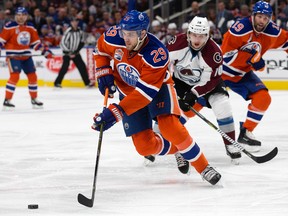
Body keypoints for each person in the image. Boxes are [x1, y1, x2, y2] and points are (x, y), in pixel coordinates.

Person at [92, 10, 221, 185]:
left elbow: (145, 95)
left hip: (157, 89)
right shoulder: (114, 36)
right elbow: (100, 51)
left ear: (142, 33)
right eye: (124, 33)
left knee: (170, 127)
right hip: (129, 93)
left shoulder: (156, 53)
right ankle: (178, 149)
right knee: (144, 147)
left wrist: (116, 112)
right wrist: (103, 71)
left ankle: (203, 167)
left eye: (130, 35)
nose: (125, 38)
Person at [148, 16, 241, 165]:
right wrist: (165, 85)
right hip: (180, 82)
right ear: (188, 34)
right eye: (194, 35)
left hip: (209, 83)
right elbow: (161, 64)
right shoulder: (177, 43)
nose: (197, 39)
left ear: (207, 36)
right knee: (167, 113)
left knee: (222, 105)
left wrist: (194, 94)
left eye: (202, 36)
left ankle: (230, 144)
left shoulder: (214, 52)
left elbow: (210, 80)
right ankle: (155, 144)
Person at [221, 1, 288, 152]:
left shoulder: (273, 31)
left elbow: (286, 41)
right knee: (196, 104)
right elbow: (225, 56)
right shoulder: (240, 29)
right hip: (222, 72)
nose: (262, 21)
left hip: (243, 75)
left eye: (265, 18)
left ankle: (245, 133)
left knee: (263, 98)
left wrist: (253, 60)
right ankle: (169, 132)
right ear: (253, 15)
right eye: (259, 17)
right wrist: (252, 59)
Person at [0, 7, 53, 109]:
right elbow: (1, 41)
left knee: (33, 76)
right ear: (15, 16)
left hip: (26, 56)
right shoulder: (9, 26)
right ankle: (7, 100)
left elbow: (35, 43)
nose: (20, 17)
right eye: (18, 15)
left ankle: (34, 99)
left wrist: (45, 51)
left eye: (23, 15)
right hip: (13, 56)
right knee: (15, 77)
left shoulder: (31, 27)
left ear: (26, 16)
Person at [54, 17, 93, 88]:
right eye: (73, 21)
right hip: (67, 53)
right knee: (64, 68)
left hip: (75, 53)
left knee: (82, 67)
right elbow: (62, 43)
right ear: (71, 23)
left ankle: (87, 83)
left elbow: (82, 42)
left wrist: (76, 51)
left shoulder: (80, 31)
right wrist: (69, 52)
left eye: (76, 21)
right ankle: (57, 83)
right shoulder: (68, 31)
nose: (75, 23)